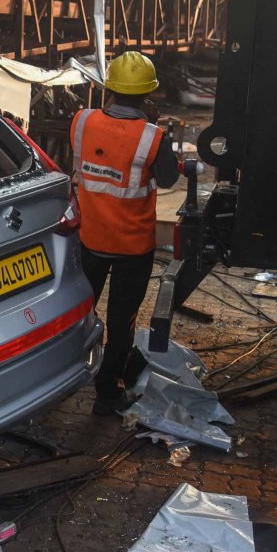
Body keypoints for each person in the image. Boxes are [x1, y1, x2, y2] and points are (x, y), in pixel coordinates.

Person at [69, 52, 180, 414]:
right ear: (147, 95)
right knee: (122, 319)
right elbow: (168, 179)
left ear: (110, 89)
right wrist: (162, 136)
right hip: (133, 246)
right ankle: (108, 391)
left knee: (78, 311)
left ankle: (61, 375)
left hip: (91, 239)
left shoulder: (82, 122)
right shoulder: (152, 137)